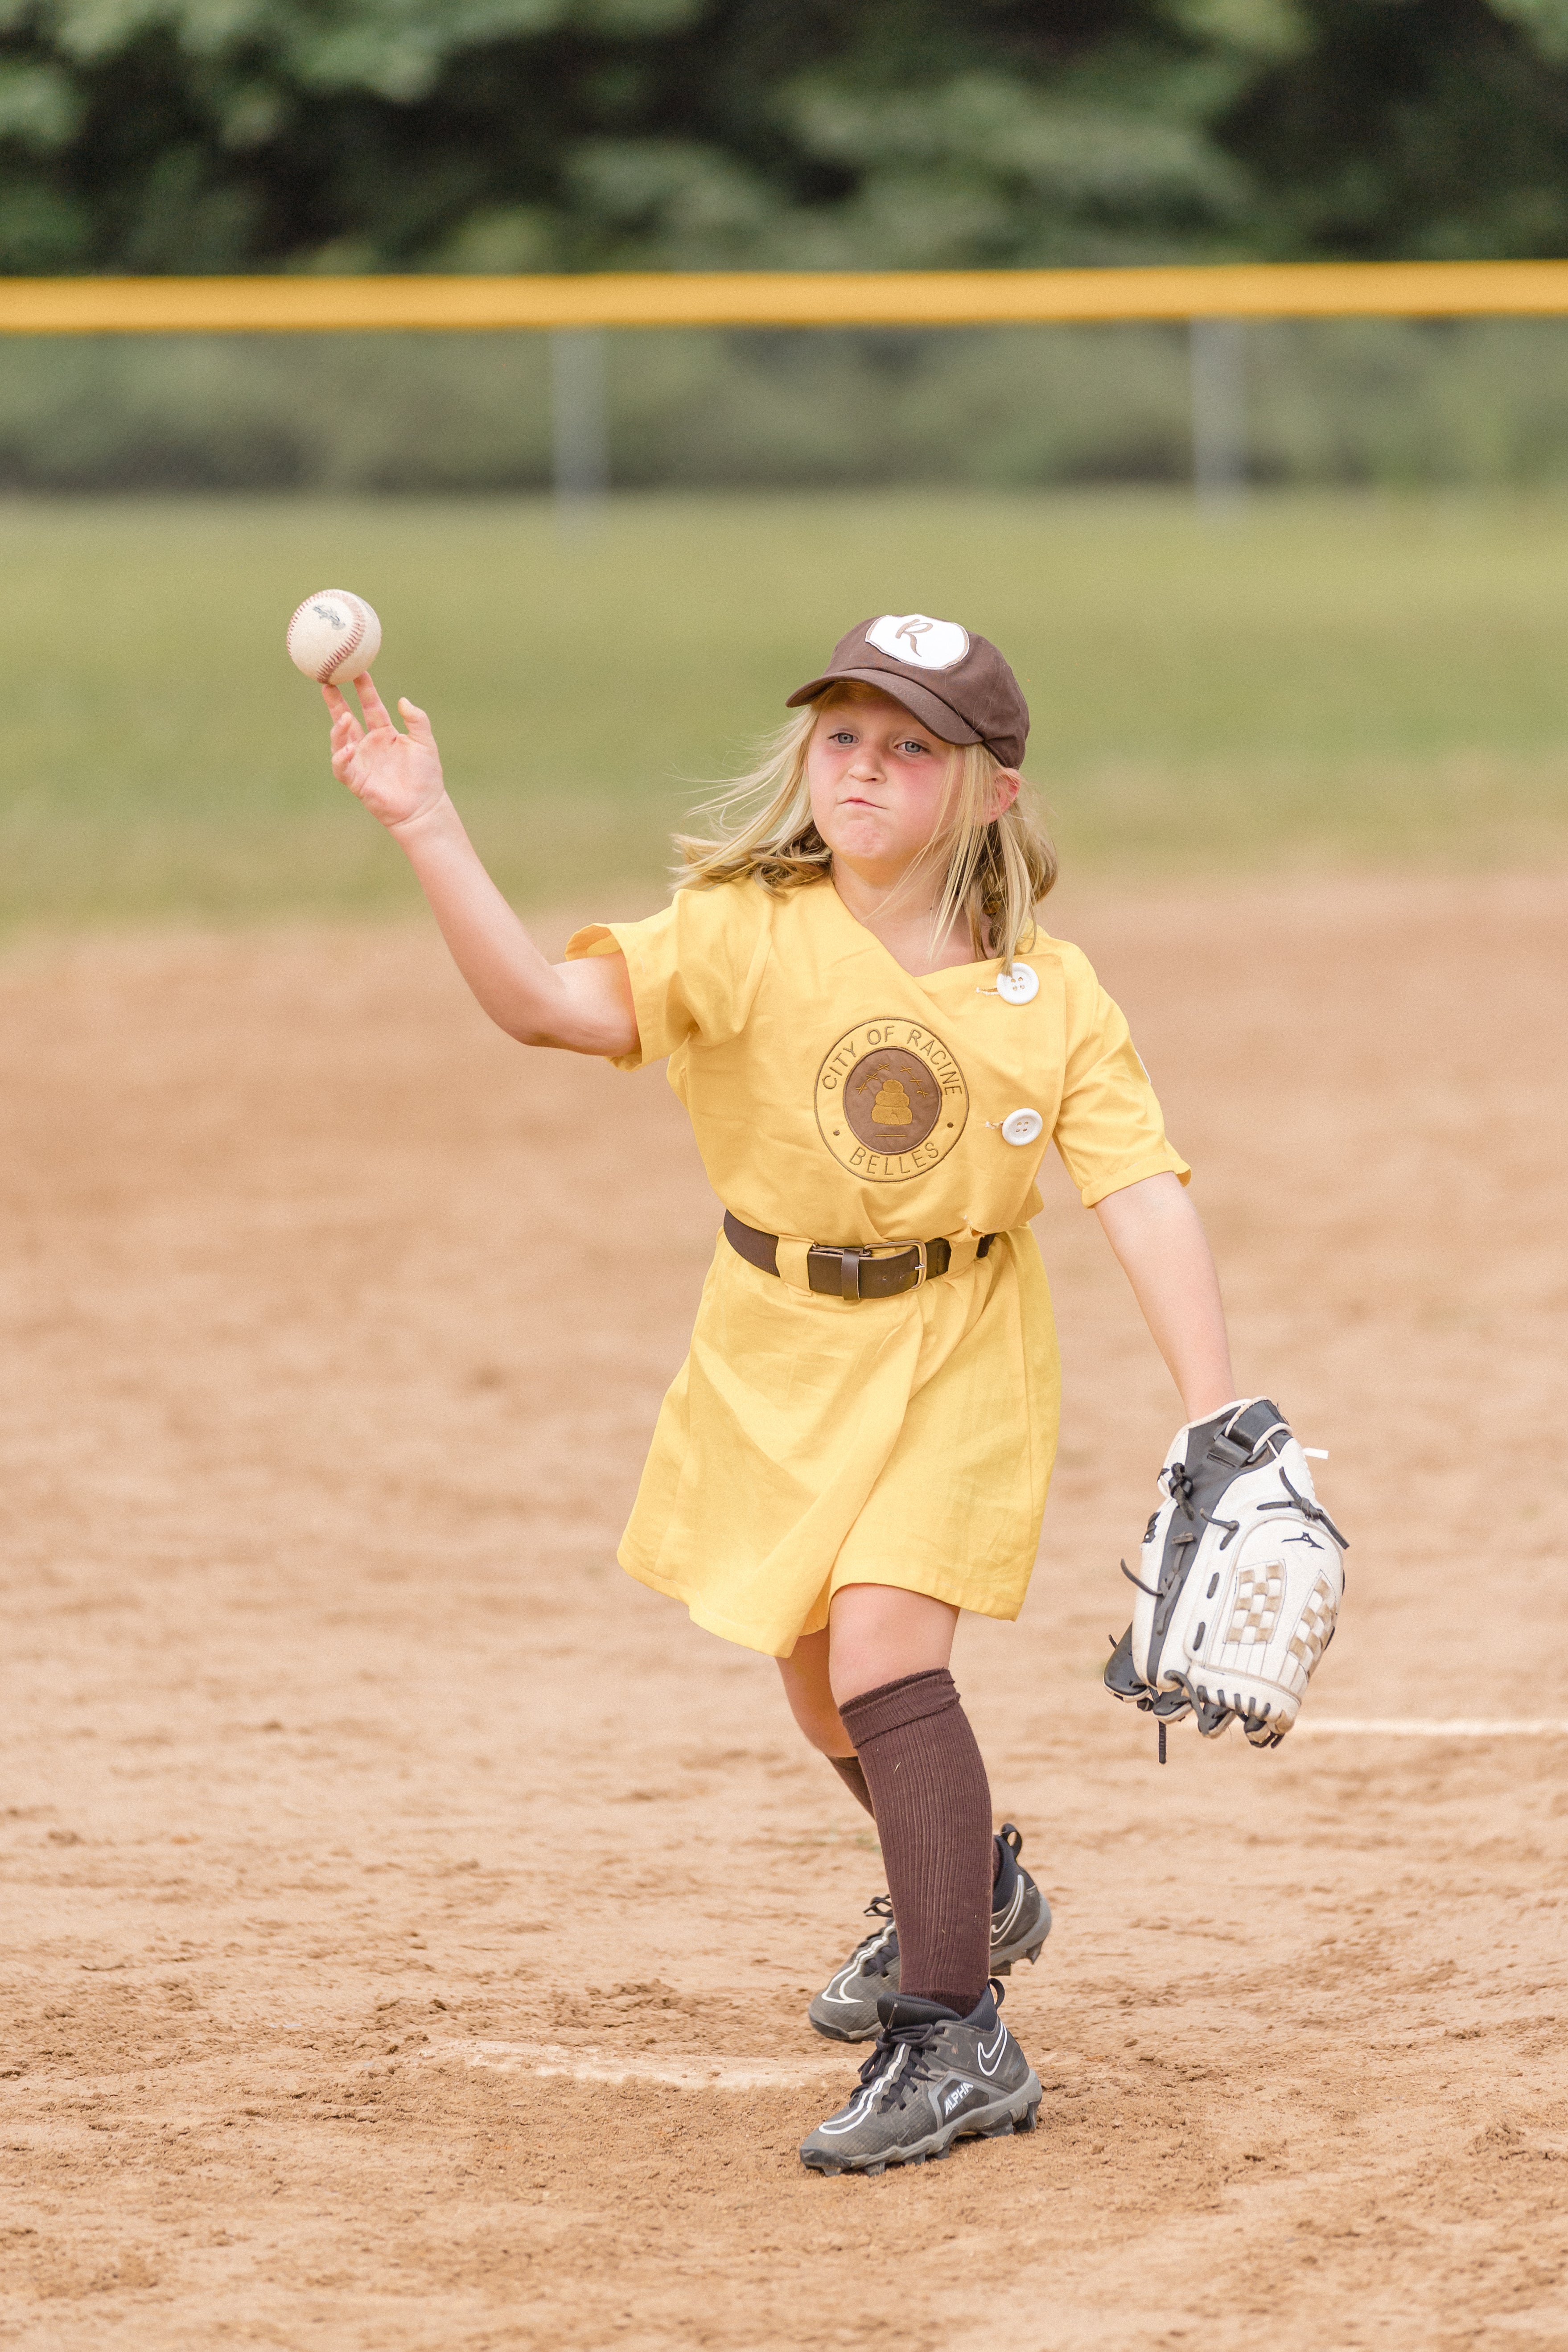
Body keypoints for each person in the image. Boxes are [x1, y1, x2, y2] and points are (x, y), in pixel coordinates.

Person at [321, 611, 1239, 2177]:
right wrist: (429, 823)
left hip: (959, 1343)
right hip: (774, 1345)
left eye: (912, 746)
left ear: (992, 794)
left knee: (888, 1651)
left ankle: (956, 2032)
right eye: (843, 736)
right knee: (820, 1684)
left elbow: (1140, 1191)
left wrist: (1219, 1407)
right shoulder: (742, 925)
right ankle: (972, 1880)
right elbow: (546, 1006)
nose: (866, 766)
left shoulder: (1053, 994)